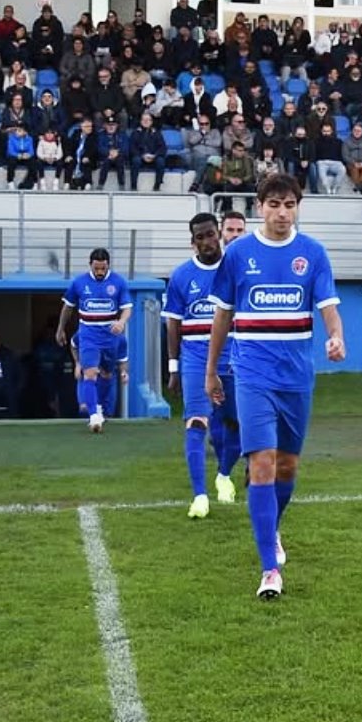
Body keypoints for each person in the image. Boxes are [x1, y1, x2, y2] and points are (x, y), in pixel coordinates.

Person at [205, 173, 346, 599]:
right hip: (251, 373)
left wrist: (336, 336)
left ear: (297, 207)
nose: (282, 213)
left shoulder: (313, 253)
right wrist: (212, 370)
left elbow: (329, 308)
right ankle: (270, 569)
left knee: (286, 466)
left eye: (289, 205)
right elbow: (222, 317)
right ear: (259, 207)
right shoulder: (239, 253)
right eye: (274, 204)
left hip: (296, 377)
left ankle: (273, 528)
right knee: (262, 464)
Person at [163, 213, 242, 518]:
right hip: (195, 358)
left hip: (234, 356)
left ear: (219, 234)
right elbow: (173, 324)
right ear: (192, 242)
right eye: (200, 237)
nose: (207, 242)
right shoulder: (182, 276)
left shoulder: (236, 271)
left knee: (236, 423)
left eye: (211, 234)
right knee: (196, 423)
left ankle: (224, 475)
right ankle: (199, 496)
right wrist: (173, 367)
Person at [55, 248, 132, 432]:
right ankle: (93, 415)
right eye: (96, 268)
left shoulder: (118, 282)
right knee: (90, 373)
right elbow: (68, 307)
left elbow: (127, 307)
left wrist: (121, 322)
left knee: (106, 374)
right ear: (90, 265)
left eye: (103, 268)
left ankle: (100, 408)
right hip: (88, 334)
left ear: (108, 266)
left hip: (110, 335)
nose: (99, 272)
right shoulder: (79, 282)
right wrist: (61, 329)